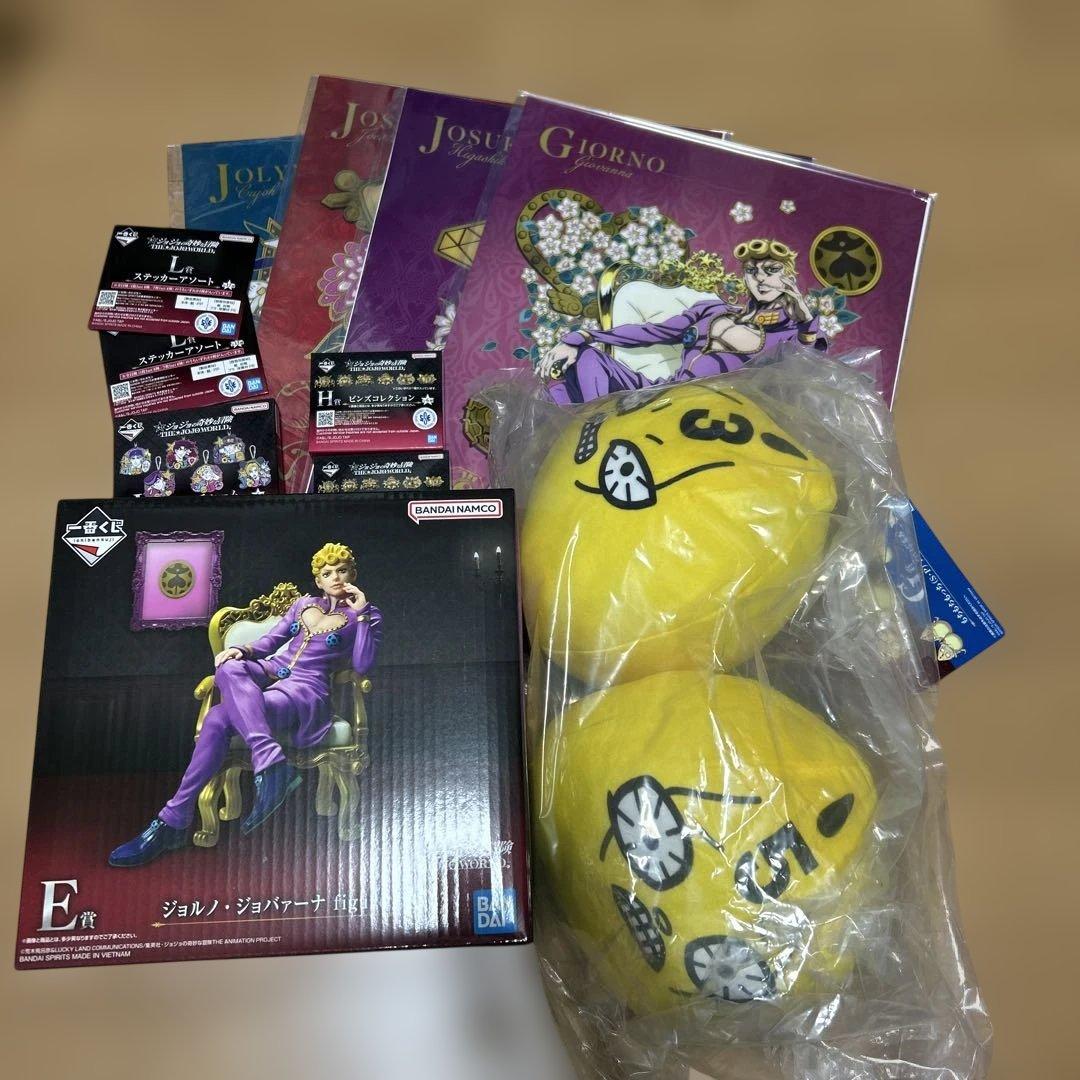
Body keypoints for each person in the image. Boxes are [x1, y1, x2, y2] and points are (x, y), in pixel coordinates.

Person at [108, 542, 382, 867]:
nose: (335, 577)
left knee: (217, 719)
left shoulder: (363, 615)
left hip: (306, 691)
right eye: (327, 572)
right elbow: (272, 641)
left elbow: (363, 664)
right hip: (271, 672)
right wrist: (244, 651)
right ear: (318, 580)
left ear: (353, 574)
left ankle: (171, 822)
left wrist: (362, 614)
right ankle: (270, 761)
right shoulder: (303, 605)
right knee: (228, 667)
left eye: (342, 570)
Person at [539, 240, 825, 403]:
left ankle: (596, 431)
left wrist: (805, 321)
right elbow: (652, 332)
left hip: (710, 414)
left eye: (771, 270)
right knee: (586, 358)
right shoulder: (711, 309)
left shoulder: (791, 331)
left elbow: (806, 369)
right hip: (660, 394)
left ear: (788, 276)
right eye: (752, 271)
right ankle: (594, 428)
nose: (760, 278)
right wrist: (583, 337)